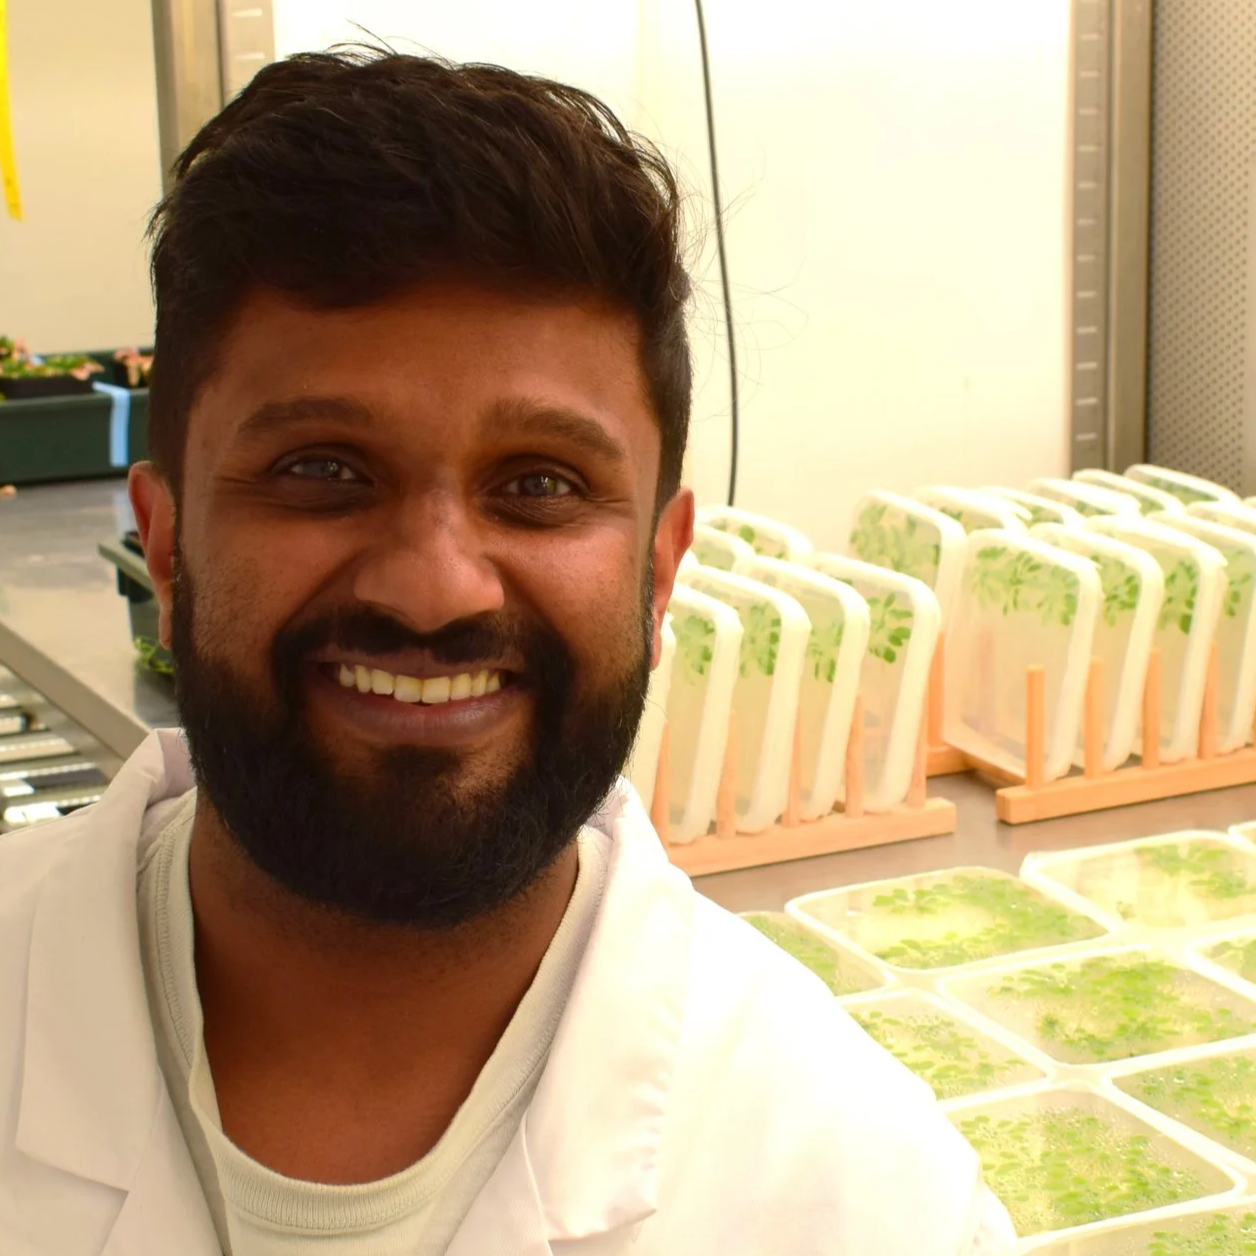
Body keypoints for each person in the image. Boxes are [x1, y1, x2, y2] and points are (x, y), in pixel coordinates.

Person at [0, 48, 1015, 1255]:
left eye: (538, 483)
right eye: (321, 469)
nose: (431, 586)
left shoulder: (859, 1195)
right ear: (164, 547)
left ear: (656, 567)